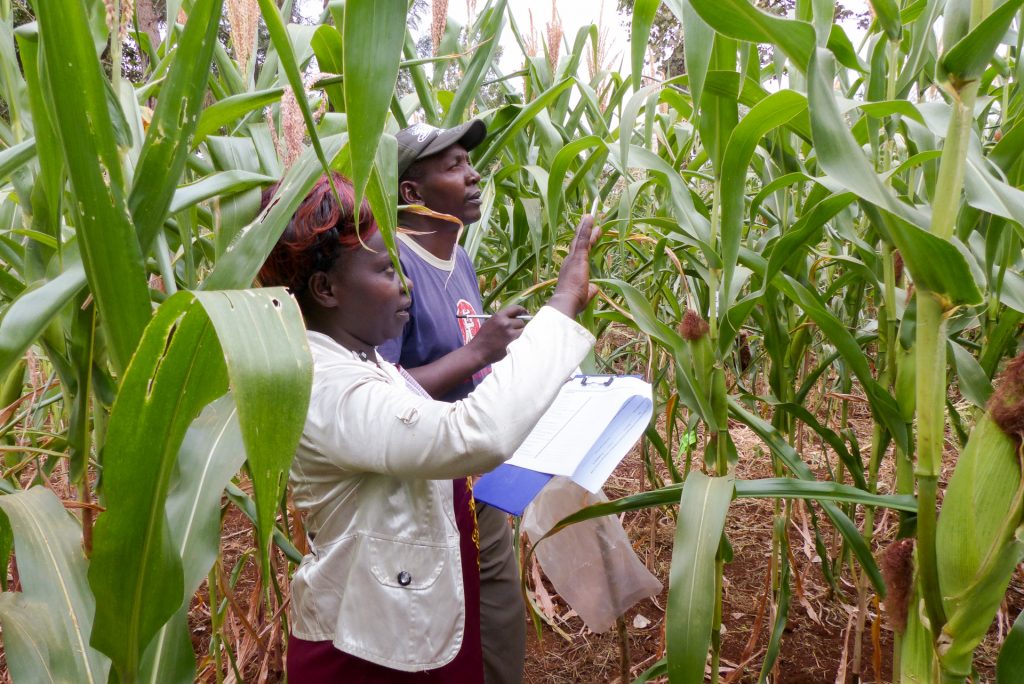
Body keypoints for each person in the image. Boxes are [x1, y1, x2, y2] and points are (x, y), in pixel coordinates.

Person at [259, 172, 599, 682]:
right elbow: (470, 433)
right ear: (326, 289)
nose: (407, 283)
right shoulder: (327, 389)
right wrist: (562, 303)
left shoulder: (365, 364)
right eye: (385, 270)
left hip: (411, 631)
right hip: (364, 657)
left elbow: (450, 417)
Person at [378, 120, 529, 684]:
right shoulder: (390, 267)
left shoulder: (458, 261)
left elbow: (473, 359)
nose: (473, 174)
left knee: (498, 615)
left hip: (474, 472)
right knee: (463, 625)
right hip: (427, 486)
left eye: (471, 162)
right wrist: (477, 352)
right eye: (455, 165)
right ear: (411, 193)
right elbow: (376, 392)